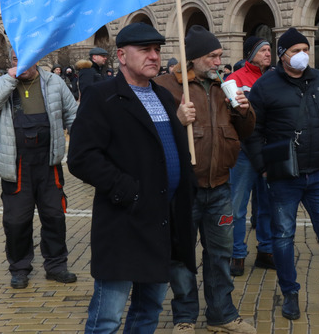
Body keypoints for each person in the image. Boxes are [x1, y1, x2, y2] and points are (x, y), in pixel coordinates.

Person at [67, 23, 196, 333]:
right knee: (108, 315)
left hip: (163, 221)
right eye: (145, 50)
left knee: (148, 309)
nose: (154, 56)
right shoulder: (102, 96)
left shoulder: (164, 96)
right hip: (124, 219)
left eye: (157, 50)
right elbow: (82, 158)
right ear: (122, 55)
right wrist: (126, 189)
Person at [244, 27, 319, 322]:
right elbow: (252, 130)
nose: (302, 55)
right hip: (283, 176)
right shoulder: (266, 86)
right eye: (295, 50)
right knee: (283, 237)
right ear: (281, 55)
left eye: (305, 49)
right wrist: (262, 167)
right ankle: (290, 293)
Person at [153, 26, 257, 334]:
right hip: (184, 190)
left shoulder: (223, 86)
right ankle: (184, 317)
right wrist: (176, 119)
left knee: (221, 255)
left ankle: (222, 314)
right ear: (194, 58)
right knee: (182, 256)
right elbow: (150, 133)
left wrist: (244, 111)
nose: (218, 62)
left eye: (220, 56)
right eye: (212, 56)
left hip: (221, 186)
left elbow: (246, 131)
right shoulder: (166, 87)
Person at [0, 47, 79, 290]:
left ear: (36, 58)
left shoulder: (55, 82)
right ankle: (20, 268)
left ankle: (56, 266)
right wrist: (9, 79)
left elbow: (73, 116)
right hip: (16, 163)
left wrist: (84, 146)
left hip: (48, 162)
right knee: (16, 220)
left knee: (54, 216)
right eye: (14, 59)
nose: (20, 63)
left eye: (25, 58)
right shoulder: (1, 83)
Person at [227, 36, 277, 277]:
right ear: (250, 54)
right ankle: (237, 253)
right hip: (243, 153)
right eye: (263, 50)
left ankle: (266, 250)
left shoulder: (275, 78)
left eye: (269, 50)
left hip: (267, 151)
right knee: (237, 206)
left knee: (266, 204)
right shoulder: (234, 79)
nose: (268, 53)